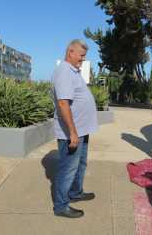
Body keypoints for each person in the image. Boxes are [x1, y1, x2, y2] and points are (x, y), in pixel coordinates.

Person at [51, 39, 98, 218]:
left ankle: (76, 192)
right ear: (70, 52)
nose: (83, 59)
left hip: (81, 130)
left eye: (84, 56)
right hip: (72, 133)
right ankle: (61, 206)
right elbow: (63, 103)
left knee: (80, 164)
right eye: (81, 55)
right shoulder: (64, 71)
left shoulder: (73, 71)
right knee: (68, 168)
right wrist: (72, 132)